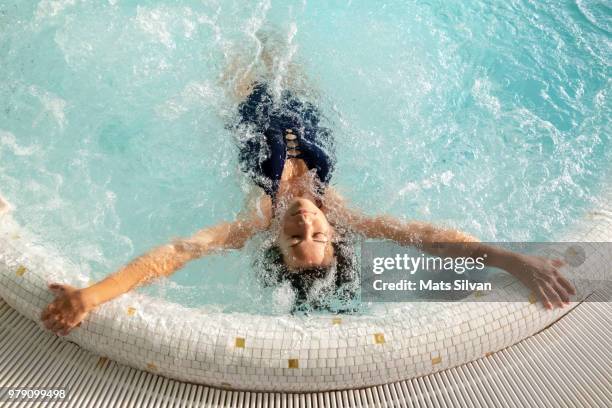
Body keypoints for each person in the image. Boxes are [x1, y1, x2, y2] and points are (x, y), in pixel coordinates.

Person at [41, 32, 576, 336]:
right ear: (334, 236)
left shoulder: (256, 218)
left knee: (242, 43)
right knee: (281, 41)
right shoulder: (342, 213)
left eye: (296, 242)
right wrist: (512, 260)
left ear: (275, 245)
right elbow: (429, 237)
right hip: (306, 109)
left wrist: (91, 296)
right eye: (317, 239)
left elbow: (174, 254)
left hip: (247, 103)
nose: (305, 228)